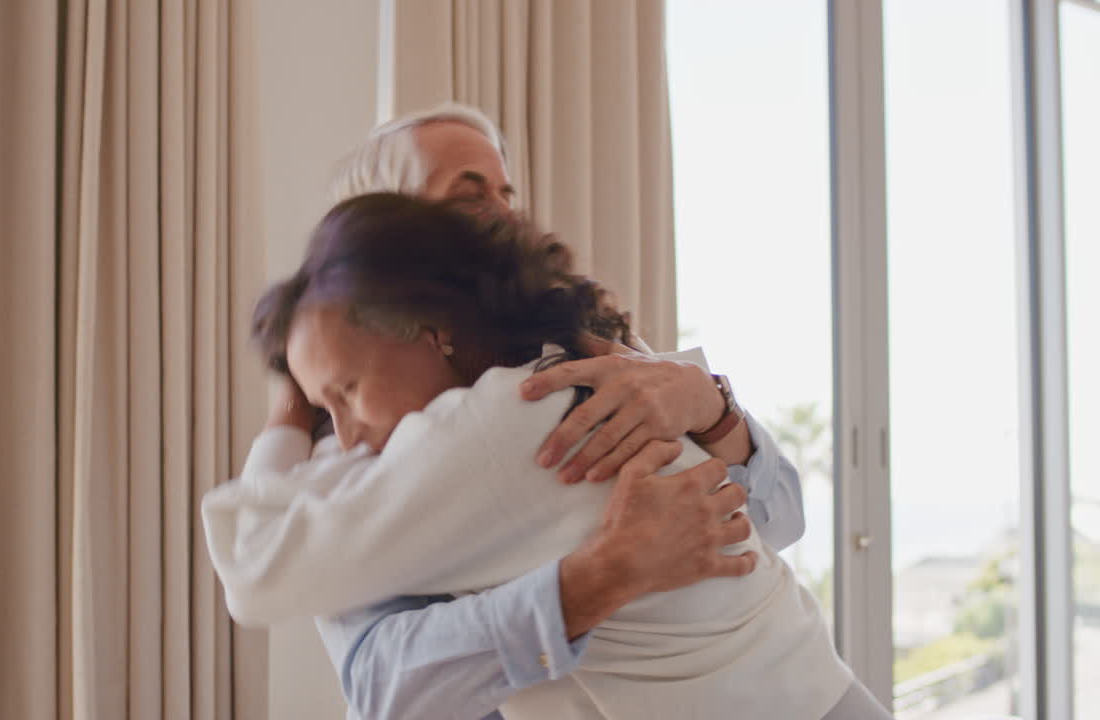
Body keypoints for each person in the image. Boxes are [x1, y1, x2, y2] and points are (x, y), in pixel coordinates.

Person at [202, 193, 892, 719]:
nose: (348, 436)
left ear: (430, 327)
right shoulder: (560, 373)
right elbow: (382, 672)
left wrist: (289, 412)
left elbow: (253, 566)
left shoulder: (497, 429)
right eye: (329, 408)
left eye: (349, 390)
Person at [297, 104, 808, 720]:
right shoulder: (357, 439)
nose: (505, 213)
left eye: (505, 192)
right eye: (469, 195)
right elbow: (383, 687)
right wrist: (599, 578)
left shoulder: (588, 353)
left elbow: (776, 521)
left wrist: (712, 409)